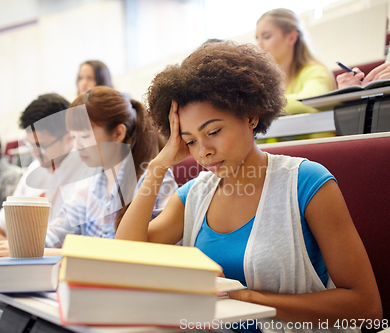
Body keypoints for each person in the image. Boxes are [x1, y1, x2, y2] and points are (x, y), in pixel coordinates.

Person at [114, 41, 382, 328]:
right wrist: (158, 166)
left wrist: (243, 298)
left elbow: (366, 308)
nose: (202, 151)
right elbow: (126, 257)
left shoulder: (306, 182)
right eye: (190, 140)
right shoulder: (194, 195)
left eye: (213, 131)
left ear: (250, 115)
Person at [0, 86, 178, 262]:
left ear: (118, 133)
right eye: (74, 138)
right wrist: (2, 247)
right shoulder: (92, 183)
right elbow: (54, 236)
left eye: (84, 137)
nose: (78, 147)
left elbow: (124, 255)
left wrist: (15, 250)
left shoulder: (155, 181)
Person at [0, 93, 98, 244]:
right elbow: (3, 222)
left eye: (41, 146)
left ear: (69, 136)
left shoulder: (88, 170)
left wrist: (8, 243)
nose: (33, 152)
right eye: (29, 144)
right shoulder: (35, 168)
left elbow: (63, 240)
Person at [256, 8, 335, 136]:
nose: (259, 45)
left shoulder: (316, 71)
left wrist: (257, 105)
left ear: (292, 38)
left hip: (315, 150)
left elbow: (310, 102)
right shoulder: (267, 82)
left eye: (266, 37)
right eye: (257, 38)